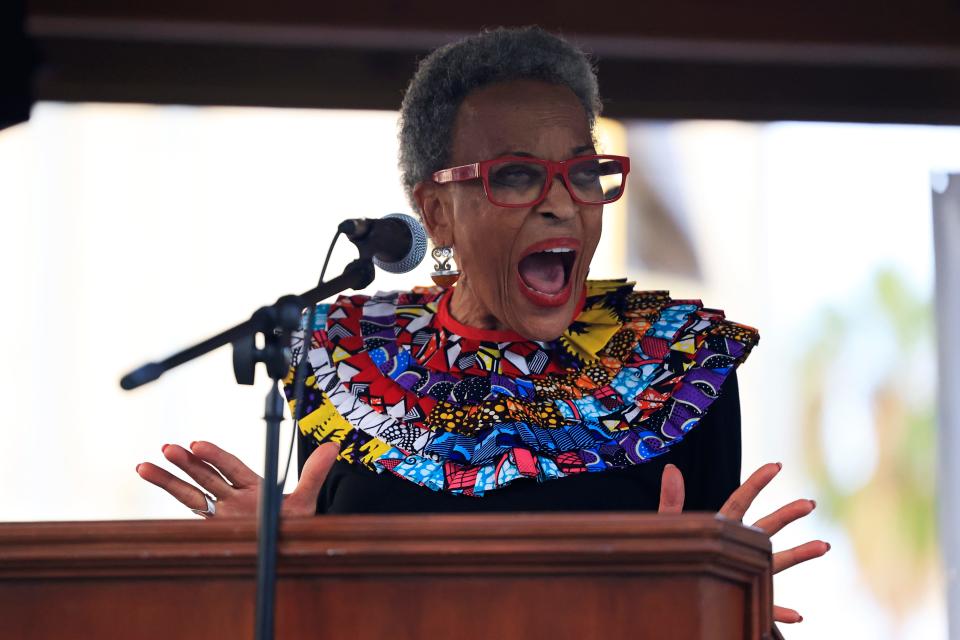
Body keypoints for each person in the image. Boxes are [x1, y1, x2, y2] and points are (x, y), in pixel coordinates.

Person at [136, 26, 828, 624]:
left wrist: (730, 614)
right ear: (436, 211)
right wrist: (266, 565)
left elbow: (703, 603)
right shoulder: (339, 357)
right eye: (520, 175)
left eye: (584, 172)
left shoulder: (677, 365)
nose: (564, 204)